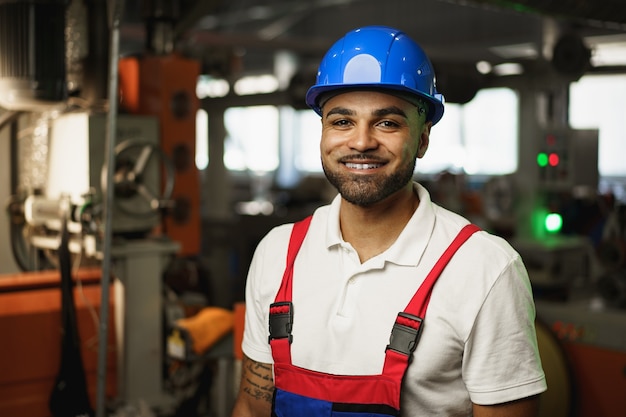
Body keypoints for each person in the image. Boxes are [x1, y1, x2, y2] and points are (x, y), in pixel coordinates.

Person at [231, 25, 547, 417]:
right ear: (323, 132)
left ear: (423, 139)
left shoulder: (484, 268)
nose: (361, 142)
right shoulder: (277, 253)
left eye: (387, 123)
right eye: (342, 121)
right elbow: (251, 407)